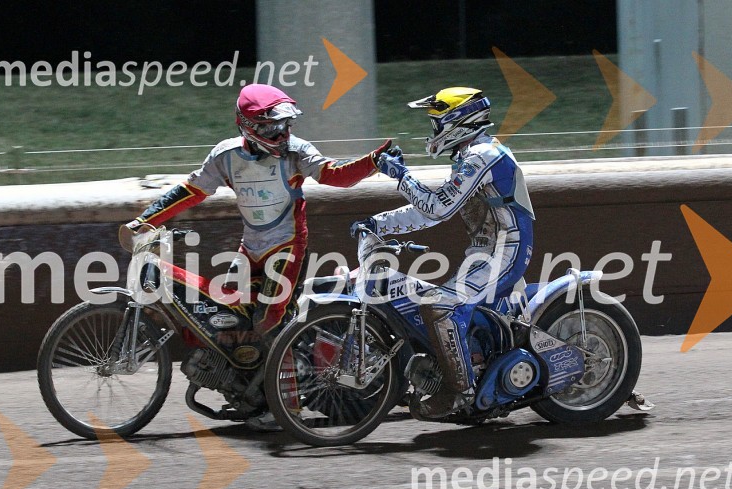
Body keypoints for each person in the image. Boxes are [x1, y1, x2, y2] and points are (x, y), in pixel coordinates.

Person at [123, 83, 390, 344]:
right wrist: (144, 221)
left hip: (287, 247)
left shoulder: (298, 151)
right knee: (226, 315)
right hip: (249, 248)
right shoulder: (225, 155)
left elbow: (335, 175)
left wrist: (374, 162)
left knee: (269, 322)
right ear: (248, 126)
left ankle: (287, 386)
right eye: (272, 128)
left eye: (285, 125)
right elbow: (191, 190)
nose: (282, 134)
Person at [352, 87, 535, 419]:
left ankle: (458, 394)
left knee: (439, 306)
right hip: (485, 252)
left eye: (436, 123)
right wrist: (377, 224)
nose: (433, 131)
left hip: (506, 251)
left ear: (457, 122)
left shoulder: (483, 155)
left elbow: (438, 208)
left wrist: (403, 177)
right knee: (442, 304)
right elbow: (428, 211)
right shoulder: (470, 157)